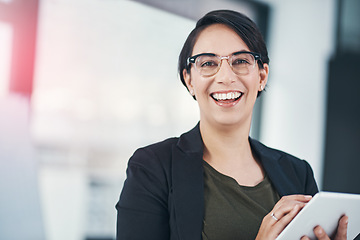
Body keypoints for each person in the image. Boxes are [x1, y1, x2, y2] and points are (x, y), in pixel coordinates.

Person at [116, 9, 348, 240]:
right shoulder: (152, 168)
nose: (226, 77)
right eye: (208, 63)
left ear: (262, 76)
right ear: (189, 80)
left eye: (240, 61)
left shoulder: (298, 173)